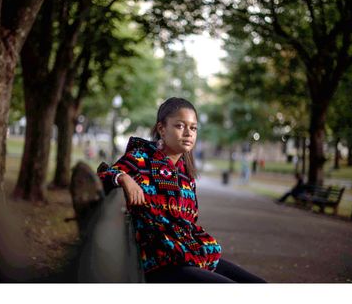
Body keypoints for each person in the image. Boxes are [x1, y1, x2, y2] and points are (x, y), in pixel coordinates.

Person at [97, 97, 265, 283]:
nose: (188, 133)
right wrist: (123, 178)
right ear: (162, 129)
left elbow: (191, 219)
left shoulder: (185, 172)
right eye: (180, 126)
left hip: (188, 254)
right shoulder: (142, 158)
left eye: (193, 128)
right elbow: (102, 176)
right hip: (162, 263)